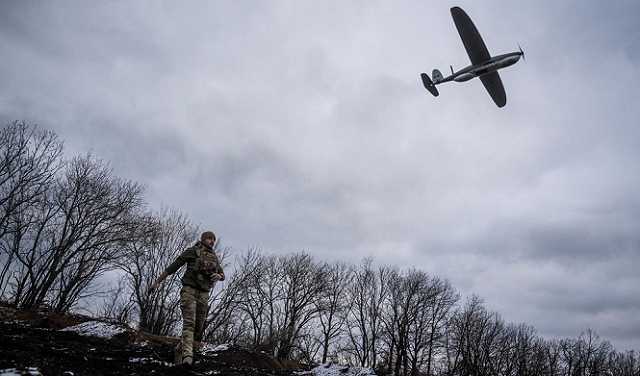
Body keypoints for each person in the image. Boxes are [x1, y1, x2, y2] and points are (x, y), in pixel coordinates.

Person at [151, 230, 224, 366]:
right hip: (189, 290)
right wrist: (157, 281)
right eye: (209, 238)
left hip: (204, 294)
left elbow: (222, 273)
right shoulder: (192, 251)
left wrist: (220, 276)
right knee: (189, 323)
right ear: (203, 239)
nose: (212, 241)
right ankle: (187, 357)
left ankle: (179, 349)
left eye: (214, 239)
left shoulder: (214, 257)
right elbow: (174, 265)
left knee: (198, 328)